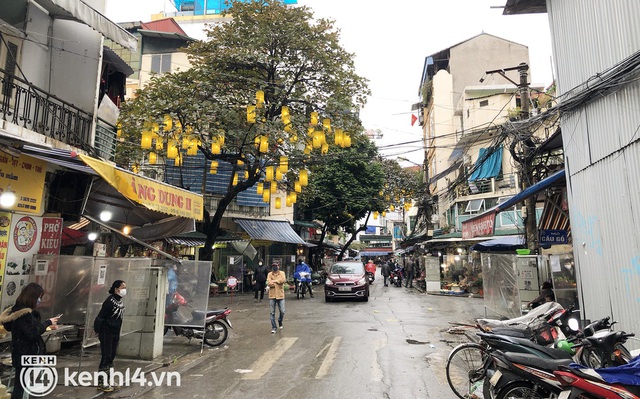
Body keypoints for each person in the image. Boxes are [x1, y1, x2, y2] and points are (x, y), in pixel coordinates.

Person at [0, 283, 59, 399]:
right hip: (26, 353)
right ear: (32, 297)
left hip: (20, 353)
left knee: (20, 384)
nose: (39, 301)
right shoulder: (24, 315)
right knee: (21, 386)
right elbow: (32, 333)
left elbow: (10, 327)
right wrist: (48, 322)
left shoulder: (16, 312)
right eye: (39, 297)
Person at [93, 280, 126, 392]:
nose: (124, 290)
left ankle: (109, 380)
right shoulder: (109, 301)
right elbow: (100, 317)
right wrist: (97, 330)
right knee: (106, 356)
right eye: (122, 287)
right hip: (106, 332)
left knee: (112, 356)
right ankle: (101, 382)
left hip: (115, 332)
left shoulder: (120, 302)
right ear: (116, 289)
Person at [267, 263, 286, 333]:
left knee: (282, 311)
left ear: (278, 266)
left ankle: (280, 321)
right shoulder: (269, 274)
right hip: (272, 296)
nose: (275, 267)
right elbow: (269, 283)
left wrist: (274, 281)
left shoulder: (282, 273)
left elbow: (283, 280)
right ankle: (274, 327)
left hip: (280, 295)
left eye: (276, 266)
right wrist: (277, 282)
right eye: (273, 266)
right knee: (272, 313)